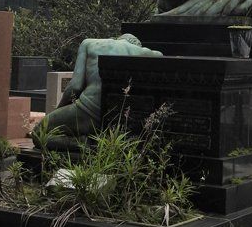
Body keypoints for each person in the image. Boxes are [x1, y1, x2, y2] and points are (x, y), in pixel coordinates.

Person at [35, 34, 163, 148]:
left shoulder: (89, 43)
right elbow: (160, 56)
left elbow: (75, 86)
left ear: (117, 39)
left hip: (87, 109)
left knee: (38, 133)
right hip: (119, 121)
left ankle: (80, 143)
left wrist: (60, 110)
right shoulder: (145, 52)